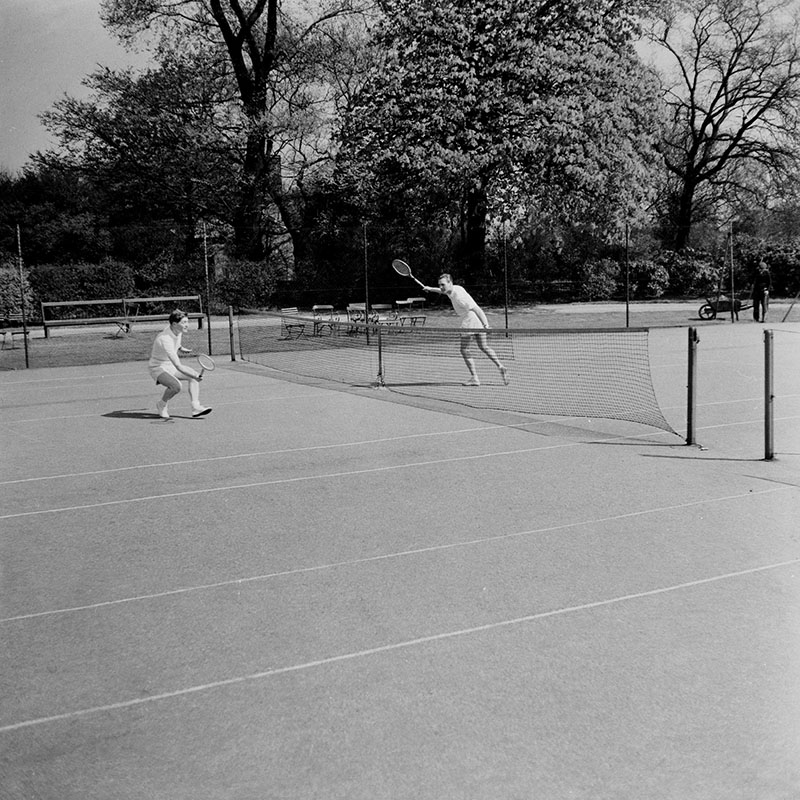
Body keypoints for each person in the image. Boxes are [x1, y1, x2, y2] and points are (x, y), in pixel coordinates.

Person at [421, 273, 508, 386]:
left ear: (450, 283)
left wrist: (486, 325)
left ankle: (475, 378)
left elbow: (477, 309)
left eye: (443, 285)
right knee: (484, 347)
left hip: (470, 320)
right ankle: (500, 366)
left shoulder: (459, 297)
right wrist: (430, 289)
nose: (441, 287)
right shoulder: (454, 288)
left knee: (464, 349)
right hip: (475, 321)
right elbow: (442, 291)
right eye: (439, 285)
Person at [148, 309, 212, 419]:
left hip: (170, 365)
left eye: (187, 322)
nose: (187, 325)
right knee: (176, 386)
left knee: (193, 378)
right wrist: (195, 376)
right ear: (174, 324)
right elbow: (178, 366)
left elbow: (176, 342)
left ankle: (196, 407)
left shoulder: (177, 331)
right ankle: (162, 404)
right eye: (184, 323)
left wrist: (180, 347)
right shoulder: (165, 339)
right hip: (157, 367)